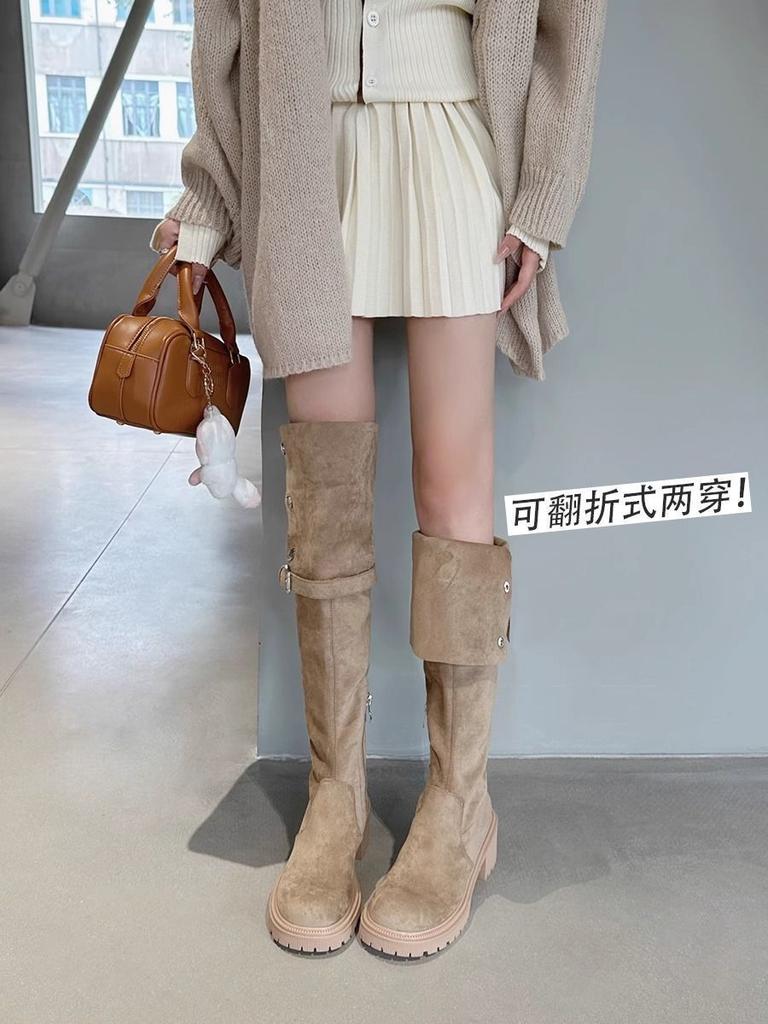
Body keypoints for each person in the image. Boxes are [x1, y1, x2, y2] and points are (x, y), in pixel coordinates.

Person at [150, 0, 607, 959]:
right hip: (304, 153)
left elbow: (572, 18)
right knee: (323, 494)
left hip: (452, 137)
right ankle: (336, 795)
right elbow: (224, 24)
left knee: (453, 490)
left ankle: (460, 803)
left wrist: (541, 197)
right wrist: (207, 197)